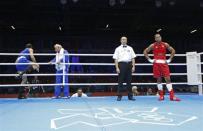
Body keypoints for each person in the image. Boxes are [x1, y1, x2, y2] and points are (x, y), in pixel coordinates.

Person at [143, 33, 180, 101]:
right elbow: (145, 51)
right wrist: (150, 60)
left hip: (164, 64)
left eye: (159, 37)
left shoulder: (165, 44)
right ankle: (161, 96)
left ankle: (172, 96)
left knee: (168, 79)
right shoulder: (153, 45)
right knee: (159, 80)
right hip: (156, 64)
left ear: (161, 37)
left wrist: (169, 59)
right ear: (155, 39)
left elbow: (173, 51)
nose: (158, 38)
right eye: (156, 37)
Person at [113, 36, 136, 101]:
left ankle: (130, 96)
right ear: (120, 40)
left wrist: (133, 66)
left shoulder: (130, 48)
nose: (124, 40)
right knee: (120, 81)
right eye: (123, 39)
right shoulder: (117, 49)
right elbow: (115, 59)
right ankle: (119, 96)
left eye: (125, 39)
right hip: (121, 64)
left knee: (129, 81)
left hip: (129, 64)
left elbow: (133, 58)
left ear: (126, 40)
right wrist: (117, 67)